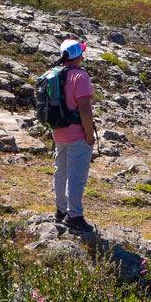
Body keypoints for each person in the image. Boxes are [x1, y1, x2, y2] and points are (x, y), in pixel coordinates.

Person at [51, 38, 95, 231]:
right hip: (76, 132)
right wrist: (89, 135)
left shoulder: (54, 73)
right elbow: (85, 108)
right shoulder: (80, 76)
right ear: (79, 55)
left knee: (60, 171)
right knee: (76, 176)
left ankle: (61, 210)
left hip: (58, 131)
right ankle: (74, 215)